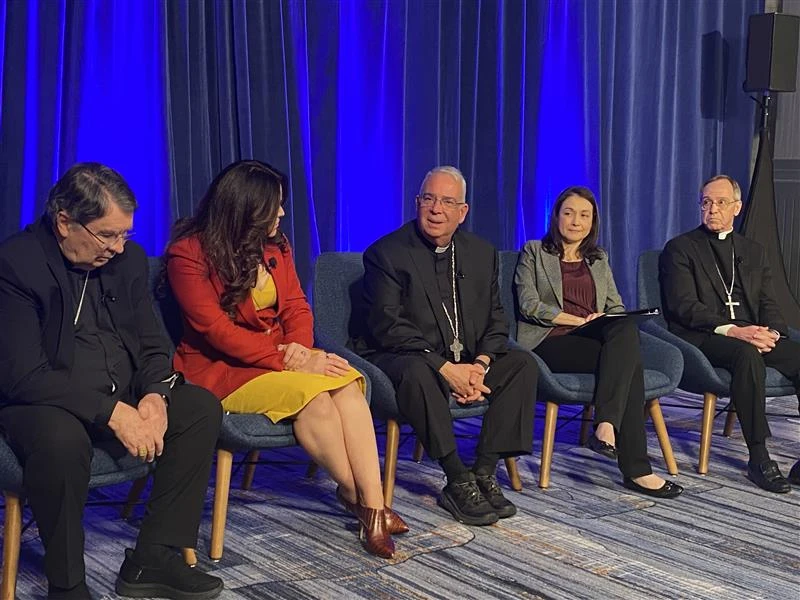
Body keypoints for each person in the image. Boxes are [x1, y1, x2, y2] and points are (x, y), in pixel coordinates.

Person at [0, 163, 224, 600]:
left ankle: (152, 559)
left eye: (126, 235)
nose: (118, 248)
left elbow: (154, 344)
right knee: (61, 441)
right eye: (108, 235)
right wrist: (113, 413)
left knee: (198, 409)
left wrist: (157, 396)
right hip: (42, 403)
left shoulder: (129, 263)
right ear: (65, 221)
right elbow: (23, 375)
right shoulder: (16, 265)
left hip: (121, 394)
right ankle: (67, 585)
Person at [165, 160, 406, 560]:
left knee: (346, 380)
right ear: (245, 208)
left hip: (279, 359)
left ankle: (375, 505)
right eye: (273, 206)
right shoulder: (187, 254)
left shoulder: (277, 246)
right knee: (314, 398)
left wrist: (300, 350)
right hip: (222, 370)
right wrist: (287, 360)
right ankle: (361, 501)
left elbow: (296, 307)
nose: (281, 213)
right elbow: (214, 331)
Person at [352, 166, 538, 526]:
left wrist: (480, 366)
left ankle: (483, 471)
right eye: (429, 199)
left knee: (522, 365)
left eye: (447, 201)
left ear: (462, 212)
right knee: (419, 372)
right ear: (417, 202)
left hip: (467, 361)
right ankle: (456, 476)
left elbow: (497, 321)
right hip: (402, 357)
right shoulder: (387, 254)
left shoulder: (482, 254)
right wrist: (448, 369)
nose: (436, 209)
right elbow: (388, 327)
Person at [514, 186, 682, 499]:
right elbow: (529, 305)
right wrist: (580, 320)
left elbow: (615, 307)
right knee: (628, 362)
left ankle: (606, 426)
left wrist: (605, 319)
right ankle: (636, 468)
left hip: (595, 338)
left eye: (584, 215)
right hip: (550, 341)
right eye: (568, 213)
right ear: (557, 217)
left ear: (593, 222)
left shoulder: (598, 258)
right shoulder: (534, 251)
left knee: (625, 332)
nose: (576, 221)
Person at [660, 174, 800, 493]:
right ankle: (759, 457)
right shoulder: (680, 248)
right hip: (702, 337)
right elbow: (684, 307)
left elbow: (768, 301)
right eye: (706, 202)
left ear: (736, 207)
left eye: (721, 202)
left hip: (752, 334)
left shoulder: (753, 251)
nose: (712, 209)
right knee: (746, 355)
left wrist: (773, 333)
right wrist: (737, 331)